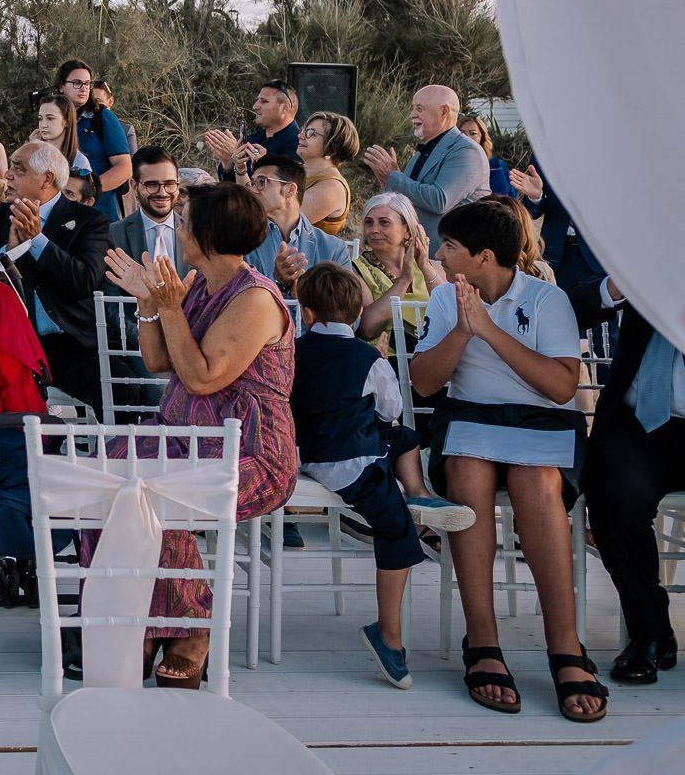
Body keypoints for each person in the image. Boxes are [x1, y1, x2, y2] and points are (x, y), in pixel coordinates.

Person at [408, 199, 605, 721]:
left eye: (450, 245)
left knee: (536, 484)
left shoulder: (547, 299)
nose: (439, 254)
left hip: (542, 423)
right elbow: (424, 384)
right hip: (470, 418)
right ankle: (483, 640)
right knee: (467, 473)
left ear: (484, 256)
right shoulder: (446, 298)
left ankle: (565, 646)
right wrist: (462, 329)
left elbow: (561, 388)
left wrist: (490, 330)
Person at [100, 182, 299, 687]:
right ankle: (137, 617)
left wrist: (171, 308)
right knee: (109, 476)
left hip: (249, 453)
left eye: (186, 223)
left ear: (207, 236)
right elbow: (157, 360)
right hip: (183, 438)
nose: (178, 229)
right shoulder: (202, 284)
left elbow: (202, 377)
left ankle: (190, 626)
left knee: (156, 492)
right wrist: (150, 301)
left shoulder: (255, 298)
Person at [289, 262, 475, 690]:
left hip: (306, 452)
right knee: (395, 527)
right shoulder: (368, 357)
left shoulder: (293, 351)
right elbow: (390, 407)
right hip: (352, 462)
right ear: (358, 314)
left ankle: (419, 493)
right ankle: (388, 632)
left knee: (398, 436)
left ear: (308, 313)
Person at [582, 292, 684, 684]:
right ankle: (650, 633)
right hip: (638, 422)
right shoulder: (642, 267)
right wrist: (614, 286)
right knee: (613, 493)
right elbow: (573, 302)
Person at [2, 141, 110, 412]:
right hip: (9, 344)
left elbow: (85, 280)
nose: (7, 175)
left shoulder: (89, 221)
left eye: (18, 168)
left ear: (46, 179)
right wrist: (9, 255)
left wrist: (37, 241)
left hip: (69, 343)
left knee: (124, 393)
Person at [360, 85, 490, 252]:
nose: (412, 114)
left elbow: (439, 200)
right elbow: (410, 198)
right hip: (416, 255)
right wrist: (389, 181)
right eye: (413, 108)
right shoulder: (423, 153)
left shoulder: (467, 152)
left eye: (419, 109)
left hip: (448, 258)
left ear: (444, 112)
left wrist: (394, 177)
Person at [511, 161, 611, 314]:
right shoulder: (545, 153)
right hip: (555, 255)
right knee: (552, 314)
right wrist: (535, 197)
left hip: (597, 255)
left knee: (598, 319)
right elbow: (532, 210)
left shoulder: (607, 154)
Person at [354, 192, 447, 349]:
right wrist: (404, 281)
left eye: (384, 223)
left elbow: (451, 310)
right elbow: (367, 329)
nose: (374, 230)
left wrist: (425, 267)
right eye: (369, 222)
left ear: (407, 230)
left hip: (433, 354)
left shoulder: (433, 267)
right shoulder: (356, 271)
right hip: (386, 357)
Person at [245, 155, 350, 294]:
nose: (253, 190)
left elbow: (346, 303)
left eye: (262, 182)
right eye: (252, 183)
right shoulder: (242, 241)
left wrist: (303, 296)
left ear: (290, 190)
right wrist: (277, 282)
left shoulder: (334, 249)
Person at [55, 60, 132, 220]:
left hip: (99, 213)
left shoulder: (103, 117)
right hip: (59, 212)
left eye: (87, 83)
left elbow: (124, 168)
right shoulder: (52, 120)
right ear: (61, 86)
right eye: (77, 83)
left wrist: (87, 190)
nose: (83, 88)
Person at [108, 147, 188, 288]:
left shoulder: (197, 232)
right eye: (152, 185)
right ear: (134, 186)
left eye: (169, 184)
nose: (162, 193)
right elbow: (110, 294)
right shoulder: (114, 234)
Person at [204, 79, 302, 184]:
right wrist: (229, 163)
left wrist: (261, 162)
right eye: (257, 100)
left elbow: (285, 186)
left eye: (264, 101)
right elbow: (233, 188)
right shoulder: (253, 139)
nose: (255, 106)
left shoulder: (300, 144)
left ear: (285, 108)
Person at [298, 110, 360, 236]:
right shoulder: (296, 170)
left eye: (311, 133)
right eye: (303, 130)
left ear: (332, 147)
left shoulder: (332, 187)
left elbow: (284, 220)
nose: (301, 135)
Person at [32, 92, 92, 177]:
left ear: (67, 121)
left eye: (50, 118)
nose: (43, 125)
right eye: (40, 119)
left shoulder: (79, 162)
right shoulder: (34, 155)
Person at [458, 112, 513, 199]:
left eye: (473, 133)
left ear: (482, 137)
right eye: (462, 133)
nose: (467, 138)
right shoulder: (449, 164)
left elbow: (510, 199)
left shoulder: (496, 166)